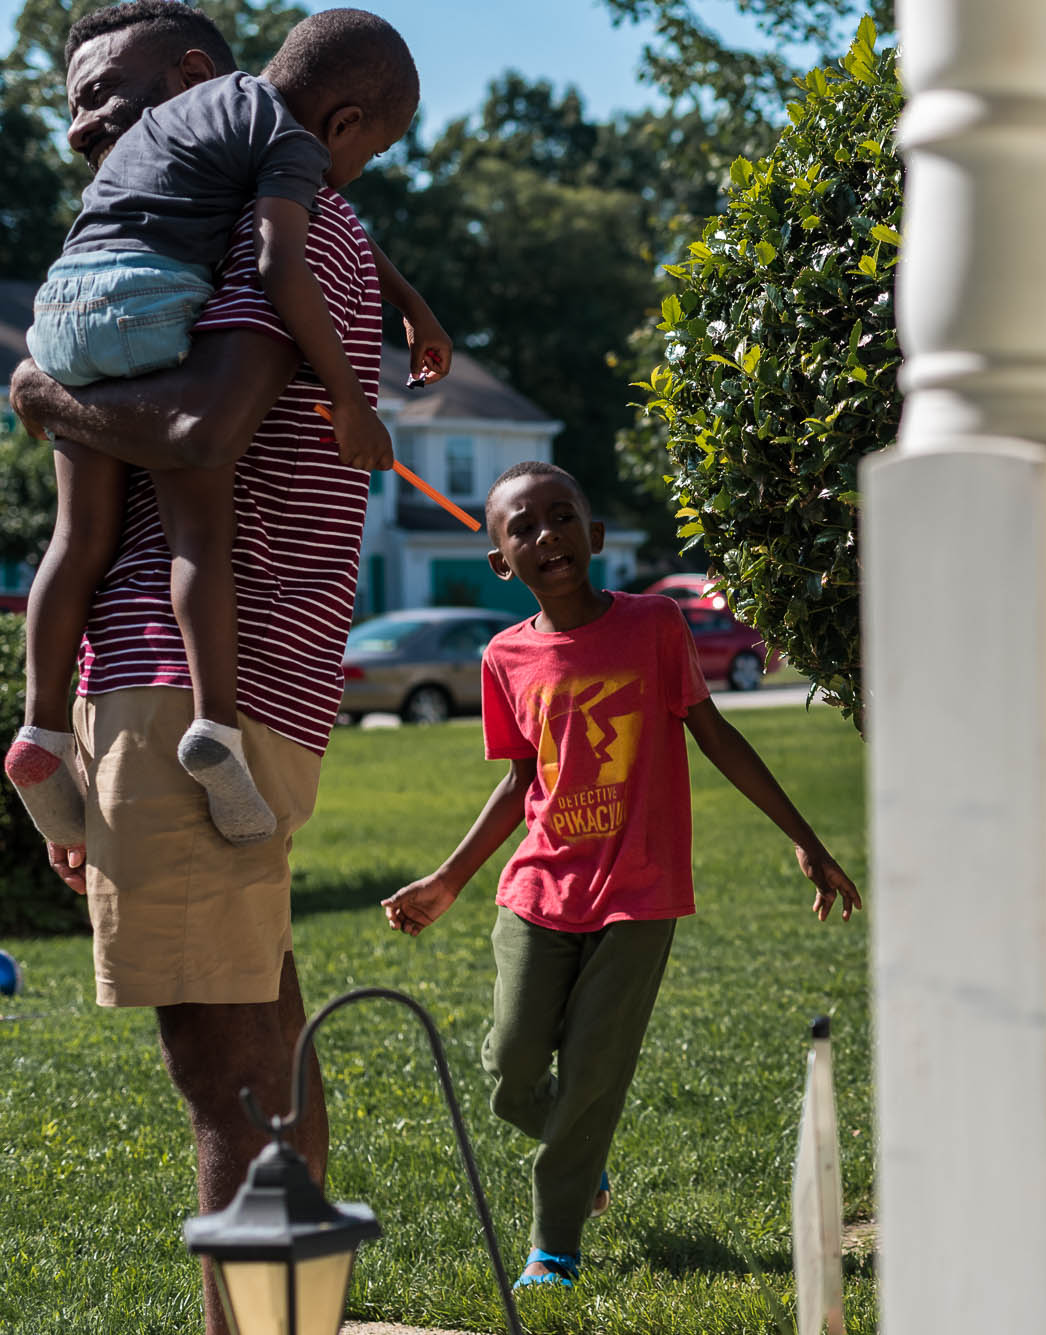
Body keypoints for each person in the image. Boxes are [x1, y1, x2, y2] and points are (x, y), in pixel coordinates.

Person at [4, 7, 433, 1333]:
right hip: (237, 698)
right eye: (69, 105)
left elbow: (203, 425)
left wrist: (33, 392)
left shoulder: (243, 240)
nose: (85, 126)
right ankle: (295, 1322)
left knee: (227, 1081)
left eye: (107, 93)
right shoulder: (267, 229)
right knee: (269, 1051)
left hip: (176, 695)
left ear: (203, 82)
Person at [380, 460, 864, 1288]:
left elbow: (715, 736)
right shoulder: (504, 658)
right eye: (522, 528)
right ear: (502, 561)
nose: (547, 536)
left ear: (594, 534)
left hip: (639, 894)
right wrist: (448, 878)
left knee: (595, 1075)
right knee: (511, 1074)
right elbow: (518, 781)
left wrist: (805, 837)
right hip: (538, 893)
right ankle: (581, 1149)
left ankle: (554, 1245)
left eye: (561, 516)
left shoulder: (655, 624)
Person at [5, 4, 448, 848]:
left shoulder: (182, 121)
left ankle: (38, 730)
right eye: (367, 153)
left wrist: (411, 301)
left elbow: (313, 192)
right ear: (344, 122)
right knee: (198, 537)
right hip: (148, 304)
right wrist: (351, 399)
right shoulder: (290, 147)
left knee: (74, 537)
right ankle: (216, 725)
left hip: (62, 305)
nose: (347, 175)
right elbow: (282, 259)